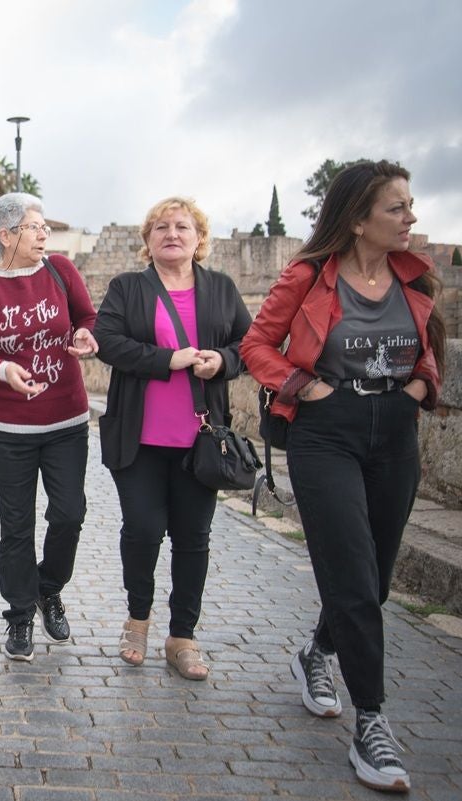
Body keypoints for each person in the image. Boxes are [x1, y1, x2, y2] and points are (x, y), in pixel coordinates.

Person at [241, 161, 443, 793]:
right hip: (327, 430)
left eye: (410, 206)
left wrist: (418, 385)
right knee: (352, 573)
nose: (410, 217)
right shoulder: (308, 276)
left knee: (376, 577)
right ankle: (373, 723)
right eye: (396, 208)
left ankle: (317, 653)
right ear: (358, 220)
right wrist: (308, 385)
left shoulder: (416, 277)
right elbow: (256, 346)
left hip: (396, 430)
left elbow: (428, 345)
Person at [93, 197, 252, 682]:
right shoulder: (127, 288)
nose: (172, 234)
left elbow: (251, 344)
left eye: (183, 227)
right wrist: (169, 360)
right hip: (139, 439)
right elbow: (107, 341)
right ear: (148, 240)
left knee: (192, 538)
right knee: (141, 530)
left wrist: (222, 361)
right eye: (161, 227)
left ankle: (182, 635)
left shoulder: (221, 290)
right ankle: (137, 619)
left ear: (199, 239)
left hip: (199, 441)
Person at [0, 193, 99, 662]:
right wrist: (2, 371)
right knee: (16, 525)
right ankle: (19, 616)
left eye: (44, 228)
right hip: (9, 428)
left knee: (69, 513)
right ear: (6, 235)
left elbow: (88, 317)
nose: (44, 235)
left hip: (66, 420)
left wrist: (83, 335)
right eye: (34, 227)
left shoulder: (61, 270)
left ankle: (48, 589)